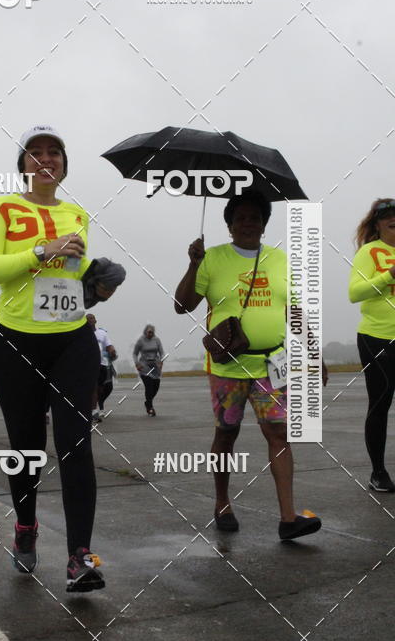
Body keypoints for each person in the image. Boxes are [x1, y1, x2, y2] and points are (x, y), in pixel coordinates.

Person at [0, 125, 119, 592]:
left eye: (54, 152)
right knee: (28, 446)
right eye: (34, 153)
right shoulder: (4, 207)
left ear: (63, 165)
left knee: (77, 443)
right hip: (16, 342)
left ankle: (80, 556)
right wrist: (41, 249)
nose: (45, 159)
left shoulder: (77, 213)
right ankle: (26, 525)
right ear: (23, 166)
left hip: (72, 339)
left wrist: (98, 286)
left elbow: (69, 285)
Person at [174, 189, 322, 540]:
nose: (248, 223)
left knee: (279, 433)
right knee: (227, 434)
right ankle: (222, 503)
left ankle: (288, 519)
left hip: (272, 364)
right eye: (240, 217)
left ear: (264, 224)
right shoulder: (211, 258)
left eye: (255, 217)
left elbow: (294, 311)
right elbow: (183, 305)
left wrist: (315, 353)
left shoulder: (279, 259)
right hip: (228, 367)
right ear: (229, 225)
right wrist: (194, 263)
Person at [349, 198, 395, 492]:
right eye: (388, 216)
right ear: (376, 224)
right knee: (381, 403)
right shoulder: (369, 252)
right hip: (376, 337)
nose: (394, 220)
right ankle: (378, 473)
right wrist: (389, 275)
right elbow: (355, 293)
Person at [86, 314, 117, 423]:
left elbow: (109, 345)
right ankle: (94, 412)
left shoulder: (102, 333)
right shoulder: (82, 334)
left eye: (91, 318)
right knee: (93, 388)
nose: (89, 320)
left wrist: (112, 351)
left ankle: (94, 408)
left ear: (95, 320)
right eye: (87, 319)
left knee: (99, 388)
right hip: (88, 365)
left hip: (102, 364)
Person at [133, 324, 164, 416]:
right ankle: (150, 408)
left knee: (156, 386)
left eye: (152, 332)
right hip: (144, 366)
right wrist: (137, 364)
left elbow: (161, 352)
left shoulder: (157, 340)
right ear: (145, 332)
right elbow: (135, 354)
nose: (150, 334)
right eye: (149, 332)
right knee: (149, 387)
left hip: (155, 366)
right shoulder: (140, 341)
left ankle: (147, 402)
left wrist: (161, 362)